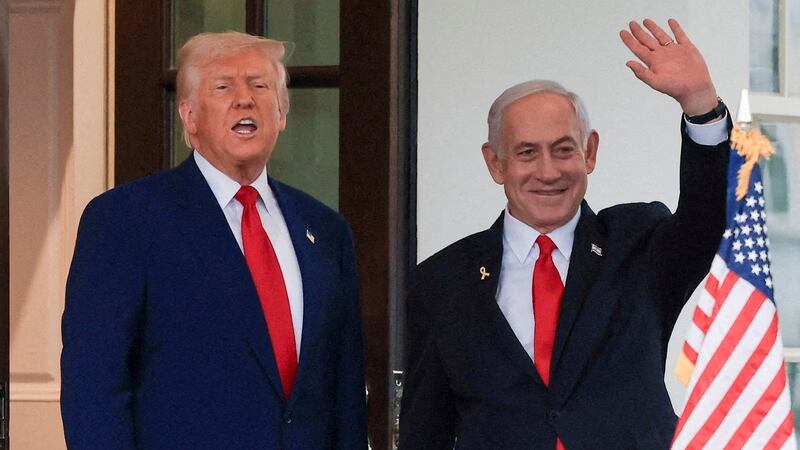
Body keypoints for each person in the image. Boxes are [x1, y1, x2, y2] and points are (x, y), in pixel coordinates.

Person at [399, 19, 731, 449]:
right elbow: (425, 432)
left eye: (563, 150)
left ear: (589, 152)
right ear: (495, 163)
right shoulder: (442, 281)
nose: (548, 172)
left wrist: (701, 105)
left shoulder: (638, 244)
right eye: (527, 153)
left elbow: (706, 219)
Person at [61, 32, 366, 449]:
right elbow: (94, 386)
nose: (245, 100)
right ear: (189, 116)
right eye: (223, 87)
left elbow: (345, 392)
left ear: (281, 113)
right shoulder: (126, 220)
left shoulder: (325, 230)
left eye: (260, 85)